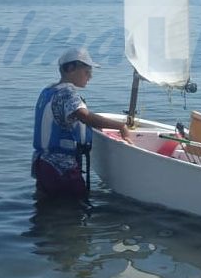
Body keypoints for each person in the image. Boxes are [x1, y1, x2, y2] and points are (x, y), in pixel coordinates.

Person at [32, 46, 130, 198]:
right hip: (62, 167)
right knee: (73, 211)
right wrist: (120, 126)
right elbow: (84, 116)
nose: (90, 76)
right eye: (87, 71)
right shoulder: (67, 93)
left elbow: (70, 118)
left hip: (42, 164)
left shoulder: (49, 90)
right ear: (71, 68)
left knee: (46, 207)